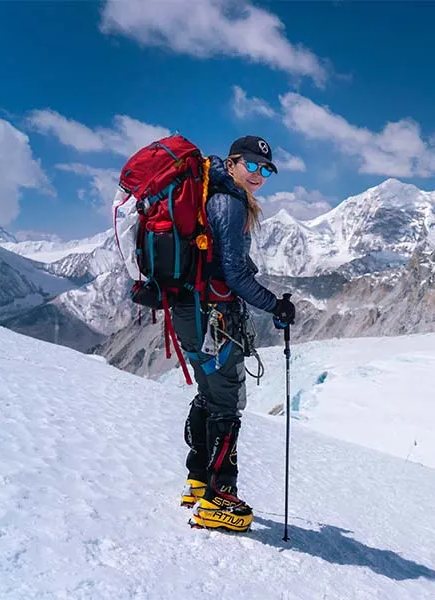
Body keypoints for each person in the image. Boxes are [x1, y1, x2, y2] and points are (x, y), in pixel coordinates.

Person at [170, 135, 296, 532]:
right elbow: (235, 274)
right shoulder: (230, 202)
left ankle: (198, 481)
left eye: (265, 170)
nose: (258, 175)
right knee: (225, 402)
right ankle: (219, 498)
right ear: (233, 162)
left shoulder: (213, 193)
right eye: (252, 166)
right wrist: (276, 306)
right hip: (214, 317)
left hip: (189, 311)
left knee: (209, 394)